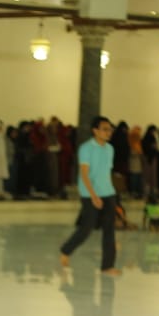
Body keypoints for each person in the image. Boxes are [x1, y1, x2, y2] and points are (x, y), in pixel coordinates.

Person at [59, 115, 120, 275]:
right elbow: (84, 174)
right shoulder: (86, 148)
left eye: (110, 129)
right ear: (95, 131)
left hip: (108, 193)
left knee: (109, 230)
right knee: (87, 227)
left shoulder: (110, 149)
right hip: (89, 193)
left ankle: (107, 266)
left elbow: (105, 173)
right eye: (105, 129)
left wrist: (112, 194)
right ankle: (66, 250)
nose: (108, 132)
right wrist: (93, 196)